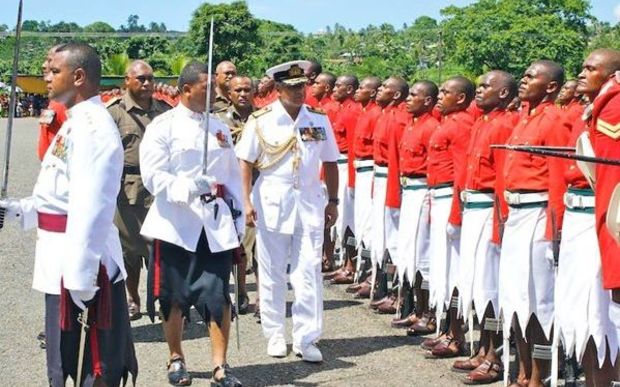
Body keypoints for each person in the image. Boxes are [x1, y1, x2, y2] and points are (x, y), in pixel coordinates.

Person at [0, 42, 138, 386]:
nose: (46, 77)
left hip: (79, 269)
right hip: (60, 261)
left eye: (54, 71)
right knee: (61, 369)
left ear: (78, 76)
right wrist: (16, 211)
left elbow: (92, 207)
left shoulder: (93, 128)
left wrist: (81, 278)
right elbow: (55, 197)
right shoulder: (74, 122)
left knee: (93, 369)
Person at [139, 61, 244, 387]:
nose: (216, 92)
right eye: (207, 87)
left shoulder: (221, 129)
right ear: (186, 90)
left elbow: (231, 177)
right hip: (176, 224)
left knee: (217, 296)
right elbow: (152, 176)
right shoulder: (163, 126)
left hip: (214, 224)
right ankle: (176, 357)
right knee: (173, 296)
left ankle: (220, 366)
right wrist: (186, 187)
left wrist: (238, 218)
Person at [236, 60, 340, 363]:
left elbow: (330, 162)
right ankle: (275, 333)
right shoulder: (262, 119)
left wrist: (332, 201)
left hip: (309, 203)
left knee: (308, 272)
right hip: (271, 202)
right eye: (291, 88)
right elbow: (244, 161)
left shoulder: (318, 120)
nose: (298, 92)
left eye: (301, 87)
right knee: (271, 272)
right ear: (278, 90)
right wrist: (246, 201)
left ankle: (307, 337)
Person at [499, 60, 571, 387]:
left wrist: (554, 231)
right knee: (516, 298)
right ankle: (523, 371)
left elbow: (558, 178)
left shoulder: (554, 120)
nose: (523, 80)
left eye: (531, 76)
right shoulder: (523, 118)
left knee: (540, 300)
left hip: (540, 214)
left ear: (551, 86)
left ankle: (539, 376)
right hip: (516, 215)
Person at [450, 71, 517, 383]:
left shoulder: (504, 123)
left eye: (486, 86)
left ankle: (494, 356)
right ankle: (482, 349)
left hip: (490, 209)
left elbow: (502, 177)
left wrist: (499, 222)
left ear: (503, 93)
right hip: (473, 207)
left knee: (490, 287)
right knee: (477, 283)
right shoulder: (483, 120)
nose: (479, 90)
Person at [107, 60, 171, 321]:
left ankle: (161, 297)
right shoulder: (114, 113)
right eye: (140, 79)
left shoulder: (165, 111)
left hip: (161, 187)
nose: (146, 83)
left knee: (163, 246)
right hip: (128, 189)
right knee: (130, 250)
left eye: (150, 79)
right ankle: (132, 296)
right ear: (127, 81)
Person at [573, 48, 620, 385]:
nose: (582, 72)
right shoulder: (601, 105)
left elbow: (612, 175)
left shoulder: (614, 106)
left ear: (609, 74)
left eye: (590, 68)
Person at [422, 76, 475, 358]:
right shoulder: (447, 122)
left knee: (453, 271)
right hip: (438, 197)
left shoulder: (462, 124)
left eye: (446, 92)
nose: (440, 96)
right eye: (440, 91)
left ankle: (457, 335)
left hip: (449, 200)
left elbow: (460, 173)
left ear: (462, 98)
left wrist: (455, 215)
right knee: (442, 268)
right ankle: (447, 328)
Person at [390, 81, 439, 333]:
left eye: (414, 95)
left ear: (428, 101)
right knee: (410, 253)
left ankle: (429, 313)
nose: (408, 99)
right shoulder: (413, 123)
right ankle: (417, 310)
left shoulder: (431, 126)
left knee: (423, 254)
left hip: (422, 190)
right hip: (409, 190)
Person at [368, 76, 410, 314]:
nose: (379, 90)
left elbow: (397, 159)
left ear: (396, 94)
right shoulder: (387, 114)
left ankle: (398, 294)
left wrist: (394, 192)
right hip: (381, 176)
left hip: (393, 180)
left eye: (384, 87)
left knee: (394, 239)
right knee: (381, 235)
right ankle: (385, 286)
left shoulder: (400, 119)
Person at [216, 74, 257, 314]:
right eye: (237, 90)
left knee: (262, 248)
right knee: (235, 246)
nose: (243, 94)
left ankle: (262, 299)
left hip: (258, 188)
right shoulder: (217, 120)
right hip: (229, 189)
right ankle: (239, 292)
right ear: (229, 94)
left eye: (247, 90)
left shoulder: (264, 118)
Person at [343, 76, 382, 298]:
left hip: (371, 173)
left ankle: (370, 275)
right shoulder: (366, 112)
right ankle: (361, 270)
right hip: (359, 170)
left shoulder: (374, 113)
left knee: (368, 227)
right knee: (357, 223)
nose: (357, 91)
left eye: (362, 88)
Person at [323, 75, 361, 284]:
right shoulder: (341, 108)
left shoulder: (352, 111)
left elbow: (354, 146)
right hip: (337, 163)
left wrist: (353, 180)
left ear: (349, 89)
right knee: (342, 221)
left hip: (348, 166)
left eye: (338, 86)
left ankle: (351, 265)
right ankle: (344, 262)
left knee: (349, 219)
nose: (333, 88)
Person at [38, 45, 67, 161]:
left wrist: (56, 166)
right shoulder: (55, 99)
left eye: (50, 60)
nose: (44, 65)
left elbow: (69, 139)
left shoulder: (65, 102)